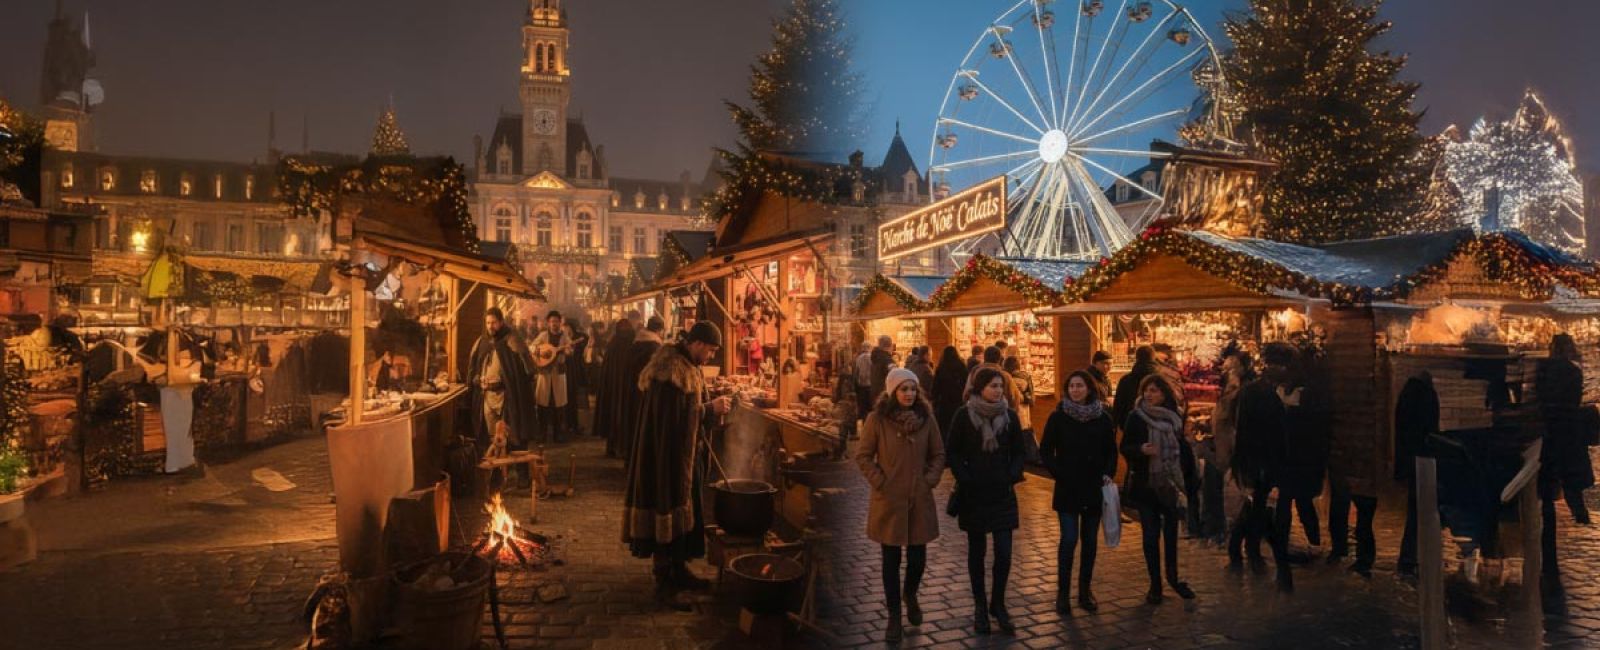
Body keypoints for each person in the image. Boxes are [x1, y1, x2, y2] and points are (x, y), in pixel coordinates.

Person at [622, 322, 733, 610]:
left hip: (685, 456)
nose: (710, 357)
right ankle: (664, 581)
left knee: (685, 509)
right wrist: (710, 409)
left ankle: (679, 568)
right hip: (665, 459)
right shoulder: (669, 372)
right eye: (709, 350)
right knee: (665, 509)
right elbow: (671, 421)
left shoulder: (688, 366)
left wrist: (709, 410)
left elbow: (688, 413)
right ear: (696, 343)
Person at [855, 367, 945, 643]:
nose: (908, 394)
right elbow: (863, 456)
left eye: (912, 389)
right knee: (890, 561)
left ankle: (911, 593)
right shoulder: (877, 419)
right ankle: (894, 616)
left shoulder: (927, 419)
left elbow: (938, 453)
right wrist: (880, 481)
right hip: (889, 500)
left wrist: (928, 480)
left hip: (919, 498)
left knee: (917, 558)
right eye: (903, 389)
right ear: (893, 391)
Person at [945, 367, 1026, 635]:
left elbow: (1019, 451)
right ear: (980, 388)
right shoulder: (963, 416)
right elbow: (953, 451)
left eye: (1001, 386)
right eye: (993, 386)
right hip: (975, 494)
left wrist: (1012, 474)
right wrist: (965, 477)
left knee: (1003, 554)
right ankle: (980, 606)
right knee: (976, 554)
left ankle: (998, 604)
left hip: (1002, 494)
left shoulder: (1010, 417)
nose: (998, 390)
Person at [1039, 370, 1117, 614]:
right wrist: (1059, 472)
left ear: (1089, 388)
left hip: (1093, 486)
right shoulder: (1058, 417)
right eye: (1071, 386)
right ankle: (1063, 593)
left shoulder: (1103, 418)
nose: (1075, 390)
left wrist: (1108, 473)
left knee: (1090, 540)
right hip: (1068, 487)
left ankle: (1085, 590)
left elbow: (1110, 450)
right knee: (1069, 538)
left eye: (1079, 386)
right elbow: (1045, 450)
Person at [1120, 373, 1198, 604]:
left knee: (1171, 534)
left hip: (1170, 484)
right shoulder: (1135, 417)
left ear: (1164, 394)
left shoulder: (1174, 418)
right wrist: (1140, 450)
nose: (1149, 395)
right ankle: (1155, 584)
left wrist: (1189, 473)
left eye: (1154, 390)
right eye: (1146, 390)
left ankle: (1173, 578)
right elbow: (1125, 447)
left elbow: (1182, 448)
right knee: (1150, 535)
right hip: (1146, 483)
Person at [1230, 342, 1296, 591]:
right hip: (1260, 462)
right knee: (1262, 511)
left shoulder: (1285, 391)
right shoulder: (1253, 392)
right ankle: (1261, 556)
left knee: (1260, 509)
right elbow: (1246, 431)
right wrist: (1247, 467)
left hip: (1275, 462)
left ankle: (1242, 549)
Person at [1538, 333, 1594, 588]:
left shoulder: (1545, 370)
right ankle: (1578, 511)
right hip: (1570, 429)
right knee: (1571, 473)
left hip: (1550, 429)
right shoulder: (1573, 371)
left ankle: (1550, 507)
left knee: (1551, 473)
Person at [467, 308, 538, 475]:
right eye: (488, 323)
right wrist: (478, 379)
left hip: (508, 397)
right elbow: (473, 367)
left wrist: (508, 382)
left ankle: (522, 474)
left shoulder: (512, 339)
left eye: (494, 322)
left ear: (501, 322)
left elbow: (527, 369)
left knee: (514, 434)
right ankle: (496, 475)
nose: (491, 326)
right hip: (487, 397)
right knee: (492, 437)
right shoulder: (482, 341)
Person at [1393, 371, 1439, 578]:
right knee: (1420, 513)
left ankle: (1410, 559)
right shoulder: (1425, 397)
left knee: (1416, 513)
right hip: (1424, 462)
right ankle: (1412, 559)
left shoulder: (1406, 397)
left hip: (1412, 462)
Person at [1203, 352, 1253, 544]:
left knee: (1237, 492)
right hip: (1223, 446)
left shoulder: (1240, 392)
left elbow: (1230, 419)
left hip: (1232, 447)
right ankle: (1225, 530)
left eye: (1231, 366)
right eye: (1226, 367)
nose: (1226, 370)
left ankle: (1233, 532)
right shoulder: (1231, 390)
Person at [618, 317, 666, 463]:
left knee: (633, 424)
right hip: (645, 394)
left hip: (631, 392)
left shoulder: (635, 343)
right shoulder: (655, 348)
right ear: (659, 330)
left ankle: (630, 458)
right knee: (644, 428)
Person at [531, 310, 573, 443]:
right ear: (548, 323)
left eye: (557, 321)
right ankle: (541, 434)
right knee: (543, 405)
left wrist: (567, 351)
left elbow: (570, 351)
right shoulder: (543, 336)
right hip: (544, 373)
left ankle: (558, 434)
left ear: (560, 323)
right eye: (552, 321)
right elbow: (532, 347)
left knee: (559, 406)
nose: (554, 324)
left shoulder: (565, 337)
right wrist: (541, 352)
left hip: (559, 374)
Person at [596, 318, 636, 457]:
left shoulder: (613, 345)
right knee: (623, 418)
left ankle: (613, 447)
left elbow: (605, 371)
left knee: (615, 418)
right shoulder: (632, 345)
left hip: (614, 391)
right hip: (626, 391)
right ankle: (620, 448)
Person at [1112, 346, 1158, 432]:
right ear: (1153, 358)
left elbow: (1118, 405)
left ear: (1136, 358)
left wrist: (1115, 425)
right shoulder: (1160, 379)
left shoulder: (1125, 380)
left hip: (1130, 425)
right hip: (1156, 423)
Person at [931, 346, 968, 442]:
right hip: (959, 401)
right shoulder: (962, 366)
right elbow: (966, 383)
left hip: (944, 403)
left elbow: (935, 389)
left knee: (945, 428)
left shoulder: (941, 368)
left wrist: (934, 401)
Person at [565, 316, 591, 434]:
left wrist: (574, 344)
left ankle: (576, 425)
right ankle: (567, 424)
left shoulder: (580, 338)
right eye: (564, 328)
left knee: (576, 399)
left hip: (576, 372)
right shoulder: (563, 339)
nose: (566, 330)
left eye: (568, 328)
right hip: (565, 372)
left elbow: (586, 339)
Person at [1003, 356, 1034, 440]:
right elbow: (1031, 400)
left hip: (1007, 416)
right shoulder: (1026, 377)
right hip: (1023, 416)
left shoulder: (1004, 378)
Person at [870, 335, 897, 401]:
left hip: (875, 392)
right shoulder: (888, 360)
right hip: (886, 394)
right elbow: (895, 375)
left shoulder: (875, 357)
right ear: (890, 346)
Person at [855, 342, 875, 421]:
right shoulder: (871, 357)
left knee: (862, 408)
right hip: (870, 385)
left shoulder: (858, 358)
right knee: (870, 408)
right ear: (869, 348)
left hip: (861, 386)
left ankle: (863, 425)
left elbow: (856, 372)